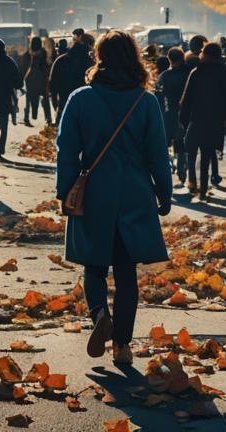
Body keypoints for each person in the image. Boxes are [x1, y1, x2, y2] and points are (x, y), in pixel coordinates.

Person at [56, 30, 172, 366]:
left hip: (94, 195)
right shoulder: (145, 101)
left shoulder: (80, 99)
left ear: (99, 57)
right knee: (126, 273)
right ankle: (122, 345)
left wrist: (66, 190)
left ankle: (98, 314)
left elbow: (66, 151)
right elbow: (158, 154)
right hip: (134, 195)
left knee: (94, 267)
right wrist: (163, 192)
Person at [179, 41, 226, 200]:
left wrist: (183, 120)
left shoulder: (196, 72)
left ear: (206, 54)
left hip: (197, 119)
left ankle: (192, 183)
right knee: (207, 155)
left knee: (192, 151)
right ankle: (203, 188)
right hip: (215, 121)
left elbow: (186, 99)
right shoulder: (224, 72)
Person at [157, 47, 189, 184]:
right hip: (185, 113)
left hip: (168, 113)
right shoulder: (188, 73)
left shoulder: (164, 76)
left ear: (169, 59)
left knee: (165, 143)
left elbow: (159, 95)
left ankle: (167, 170)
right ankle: (182, 168)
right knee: (181, 142)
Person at [51, 29, 92, 114]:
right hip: (86, 107)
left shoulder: (61, 60)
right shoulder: (92, 64)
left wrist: (55, 104)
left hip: (65, 104)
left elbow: (53, 85)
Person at [21, 35, 52, 126]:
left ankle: (26, 118)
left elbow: (23, 68)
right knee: (45, 100)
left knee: (28, 100)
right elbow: (47, 66)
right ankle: (48, 118)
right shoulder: (43, 53)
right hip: (42, 81)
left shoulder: (27, 54)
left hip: (30, 81)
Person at [48, 38, 68, 113]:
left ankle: (57, 111)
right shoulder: (69, 54)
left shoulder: (57, 56)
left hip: (57, 81)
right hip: (66, 81)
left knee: (56, 99)